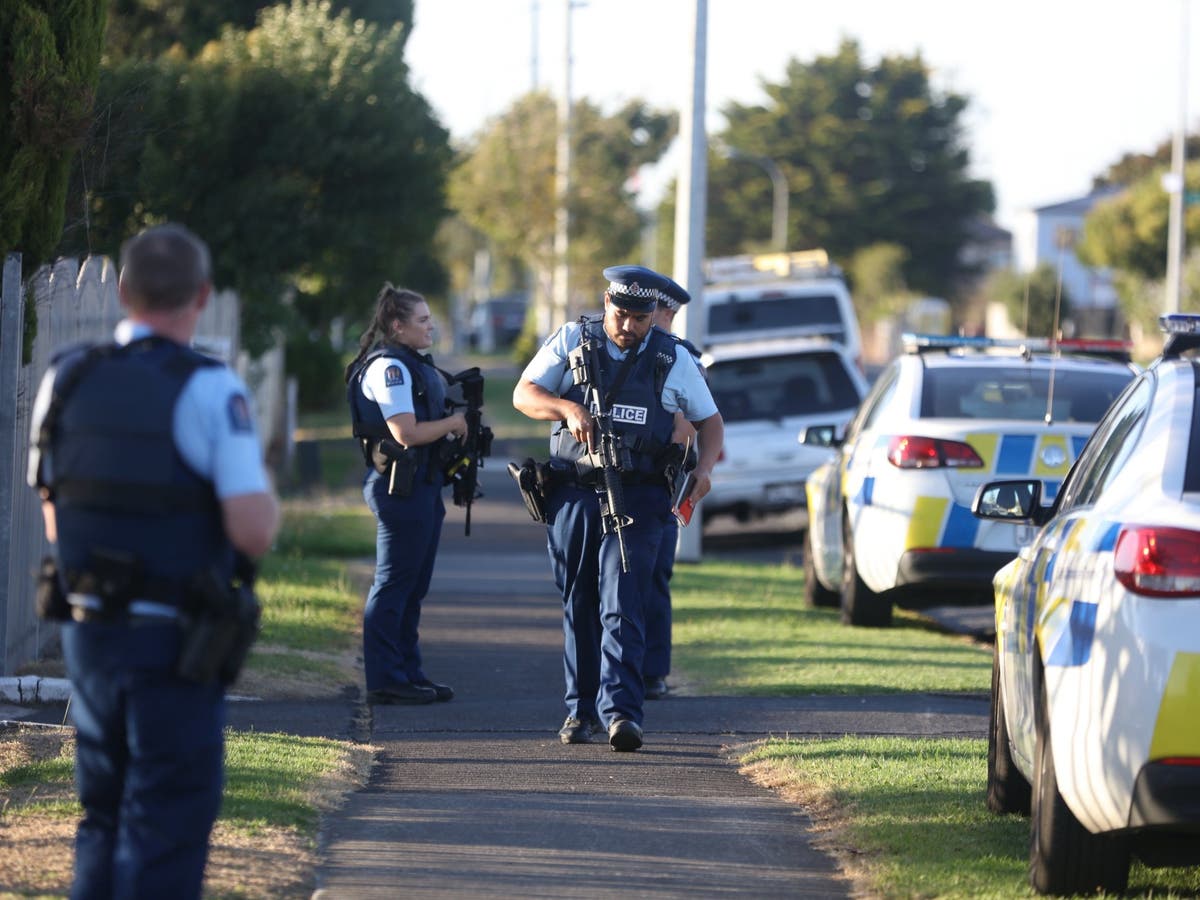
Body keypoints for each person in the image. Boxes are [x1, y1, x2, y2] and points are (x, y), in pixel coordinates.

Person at [26, 223, 280, 899]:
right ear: (201, 295)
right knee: (166, 821)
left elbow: (53, 508)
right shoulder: (208, 387)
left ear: (121, 291)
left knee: (102, 815)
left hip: (87, 633)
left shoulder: (66, 376)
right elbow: (251, 529)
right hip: (172, 640)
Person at [513, 265, 724, 751]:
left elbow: (710, 421)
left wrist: (706, 469)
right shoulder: (571, 340)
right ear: (607, 301)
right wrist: (567, 409)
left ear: (655, 315)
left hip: (640, 493)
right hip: (574, 492)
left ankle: (622, 714)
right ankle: (579, 711)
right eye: (622, 314)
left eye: (641, 319)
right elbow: (524, 393)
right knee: (579, 601)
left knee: (623, 602)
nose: (629, 326)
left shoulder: (672, 358)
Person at [345, 284, 467, 706]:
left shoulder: (411, 362)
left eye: (430, 318)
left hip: (420, 486)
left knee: (413, 587)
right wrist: (453, 424)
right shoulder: (389, 368)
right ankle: (385, 678)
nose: (430, 326)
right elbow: (405, 432)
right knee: (394, 584)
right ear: (397, 326)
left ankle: (409, 673)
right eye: (422, 320)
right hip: (399, 487)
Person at [644, 275, 705, 701]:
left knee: (653, 579)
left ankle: (651, 671)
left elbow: (688, 427)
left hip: (659, 483)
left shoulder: (679, 357)